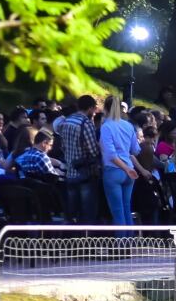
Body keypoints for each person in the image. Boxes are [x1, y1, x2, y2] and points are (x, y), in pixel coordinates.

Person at [55, 95, 102, 224]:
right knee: (87, 212)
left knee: (72, 212)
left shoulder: (67, 121)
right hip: (84, 173)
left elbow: (63, 146)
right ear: (90, 108)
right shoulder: (85, 123)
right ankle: (86, 240)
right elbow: (93, 150)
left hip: (70, 171)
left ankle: (72, 239)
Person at [99, 97, 140, 228]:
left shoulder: (106, 126)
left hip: (114, 170)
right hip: (129, 169)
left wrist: (125, 168)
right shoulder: (128, 125)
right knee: (127, 209)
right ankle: (130, 243)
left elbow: (111, 155)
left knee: (117, 212)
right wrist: (128, 168)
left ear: (105, 108)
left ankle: (121, 244)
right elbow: (136, 150)